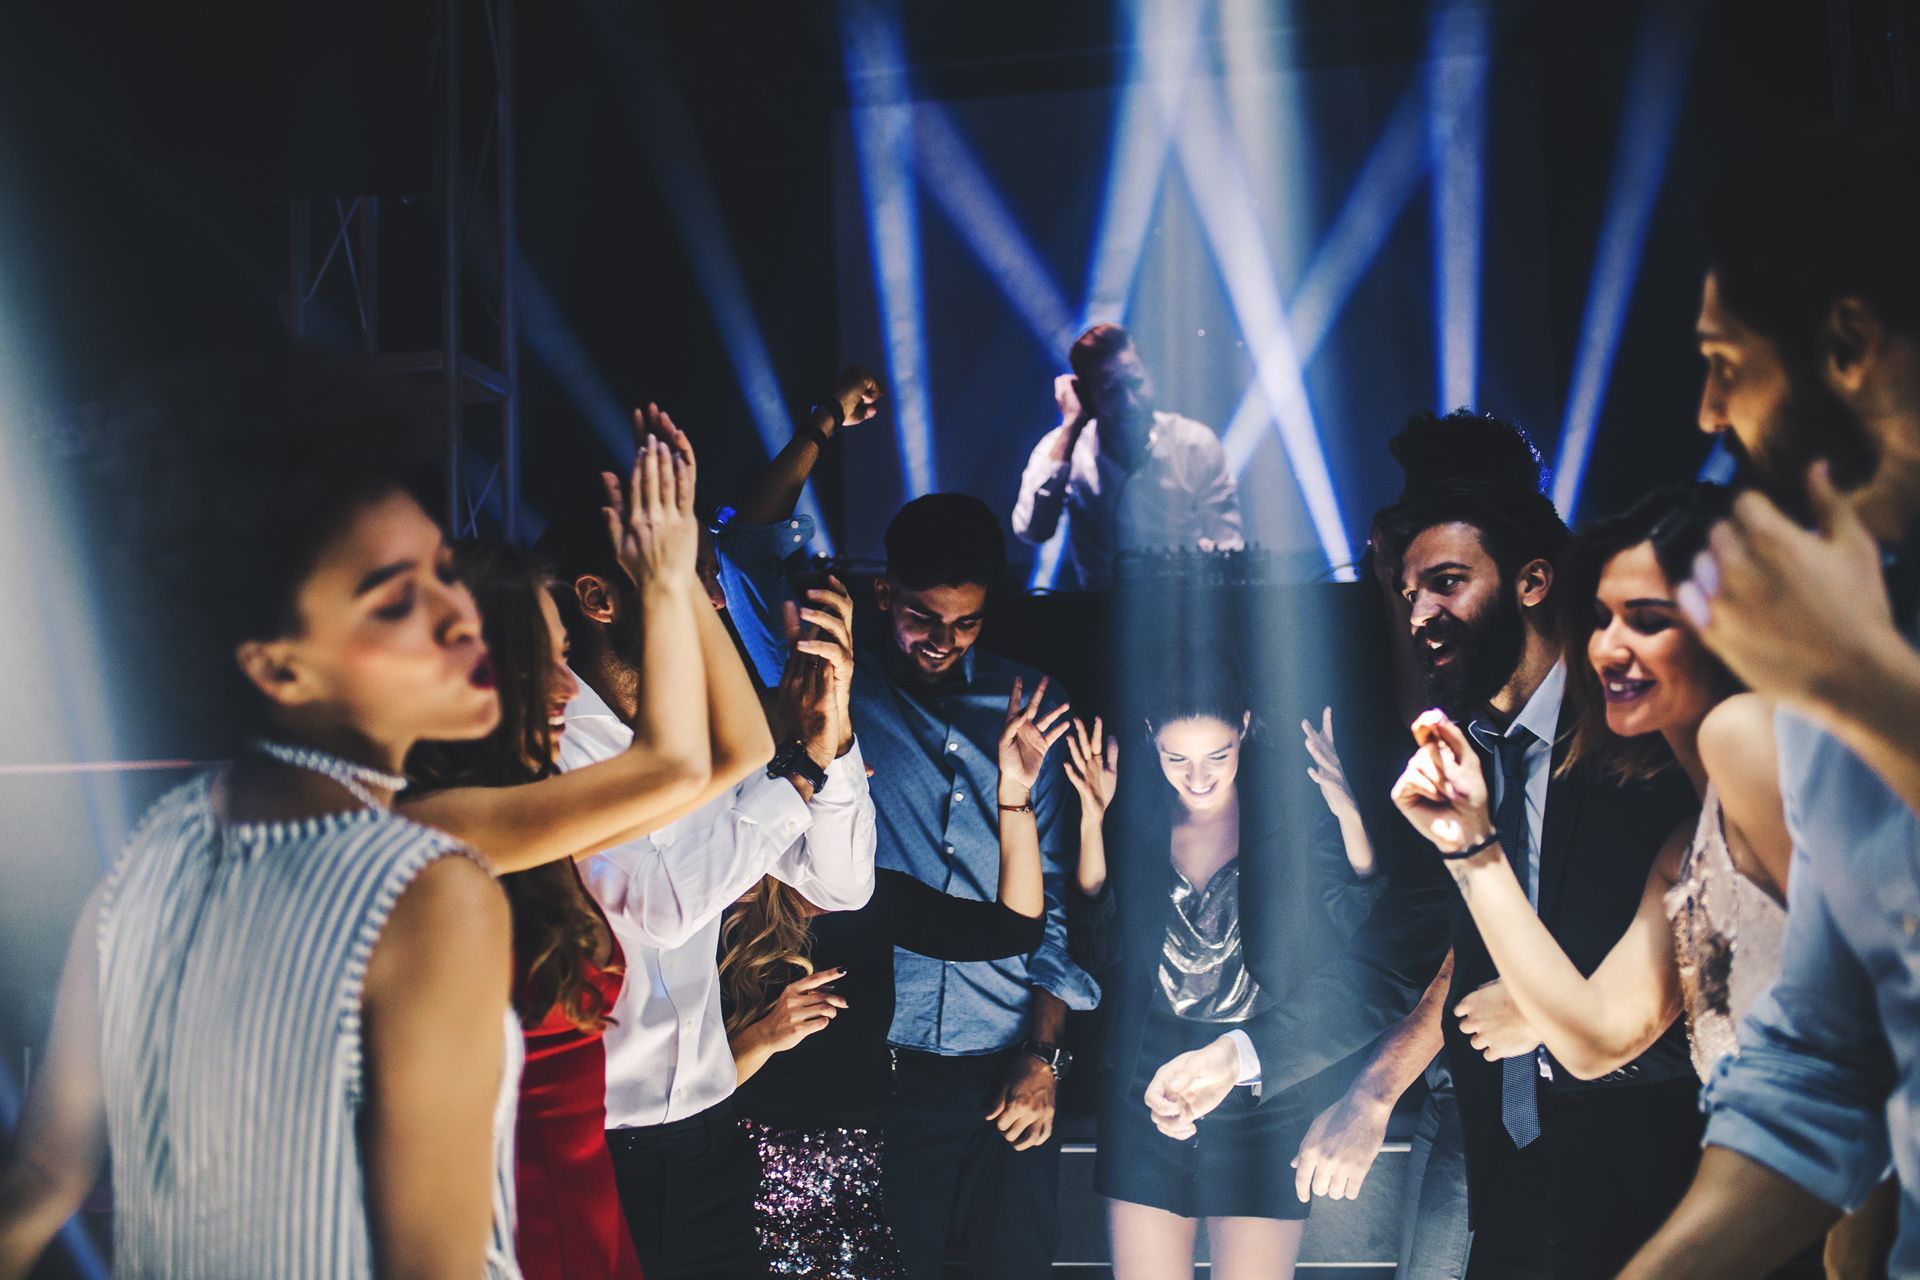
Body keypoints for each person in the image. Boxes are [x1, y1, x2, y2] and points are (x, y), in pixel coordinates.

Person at [0, 366, 525, 1279]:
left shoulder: (148, 857)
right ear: (278, 669)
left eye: (445, 571)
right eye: (396, 601)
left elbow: (41, 1178)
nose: (460, 616)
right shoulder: (429, 893)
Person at [1144, 449, 1704, 1278]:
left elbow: (1718, 990)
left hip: (1658, 1176)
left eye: (1447, 583)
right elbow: (1405, 958)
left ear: (1535, 581)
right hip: (1509, 1172)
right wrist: (1238, 1055)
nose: (1421, 615)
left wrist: (1554, 1019)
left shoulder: (1649, 746)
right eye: (1409, 595)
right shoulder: (1468, 750)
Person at [1620, 119, 1920, 1279]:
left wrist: (1856, 684)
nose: (1705, 410)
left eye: (1725, 360)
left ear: (1847, 343)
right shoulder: (1849, 651)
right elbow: (1827, 1061)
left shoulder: (1845, 669)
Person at [534, 411, 877, 1280]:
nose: (714, 600)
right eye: (681, 578)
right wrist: (795, 767)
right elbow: (659, 904)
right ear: (598, 598)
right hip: (596, 1148)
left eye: (706, 578)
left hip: (713, 1130)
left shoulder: (710, 729)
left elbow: (839, 887)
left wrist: (835, 739)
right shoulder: (551, 741)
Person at [720, 676, 1063, 1278]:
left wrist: (1013, 793)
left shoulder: (876, 899)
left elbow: (1013, 931)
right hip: (746, 1168)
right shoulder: (721, 905)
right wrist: (766, 1035)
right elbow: (681, 1083)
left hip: (864, 1168)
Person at [1061, 658, 1382, 1280]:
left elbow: (1359, 920)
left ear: (1245, 726)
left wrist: (1347, 813)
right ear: (1152, 736)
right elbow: (1095, 949)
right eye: (1176, 758)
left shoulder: (1288, 814)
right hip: (1145, 1083)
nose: (1198, 776)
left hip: (1267, 1086)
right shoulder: (1135, 816)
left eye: (1218, 754)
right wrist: (1093, 822)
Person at [1012, 323, 1244, 589]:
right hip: (1099, 619)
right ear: (1086, 397)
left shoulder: (1195, 443)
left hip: (1188, 612)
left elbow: (1231, 547)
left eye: (1135, 383)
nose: (1130, 402)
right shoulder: (1063, 448)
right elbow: (1032, 529)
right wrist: (1071, 426)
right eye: (1111, 391)